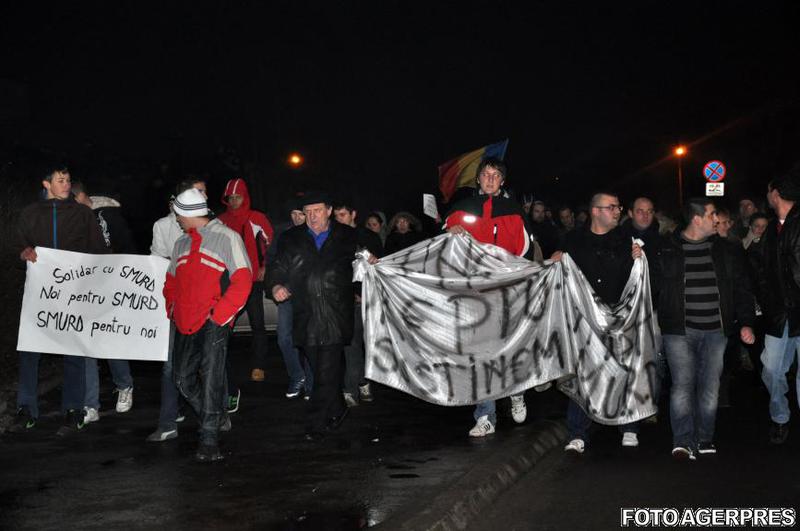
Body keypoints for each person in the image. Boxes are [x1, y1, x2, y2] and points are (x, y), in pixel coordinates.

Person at [10, 164, 107, 436]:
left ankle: (74, 408)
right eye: (60, 180)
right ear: (46, 184)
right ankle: (26, 408)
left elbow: (98, 251)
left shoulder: (82, 214)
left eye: (68, 180)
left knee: (73, 350)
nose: (66, 185)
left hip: (72, 295)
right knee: (30, 351)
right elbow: (18, 248)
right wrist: (23, 253)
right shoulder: (29, 214)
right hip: (38, 296)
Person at [445, 157, 537, 437]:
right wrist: (451, 231)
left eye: (496, 175)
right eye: (485, 174)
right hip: (474, 291)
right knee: (481, 352)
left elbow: (525, 249)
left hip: (507, 289)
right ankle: (485, 415)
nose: (490, 179)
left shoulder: (513, 210)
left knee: (510, 346)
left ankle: (517, 390)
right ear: (478, 179)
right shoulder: (463, 208)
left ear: (502, 181)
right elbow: (445, 246)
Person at [657, 198, 755, 459]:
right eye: (712, 215)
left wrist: (746, 322)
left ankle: (704, 438)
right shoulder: (666, 249)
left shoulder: (727, 250)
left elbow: (742, 287)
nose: (716, 220)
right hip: (679, 330)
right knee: (682, 385)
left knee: (710, 386)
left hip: (716, 331)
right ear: (697, 219)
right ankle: (682, 440)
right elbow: (652, 289)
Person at [164, 187, 252, 462]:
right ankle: (216, 417)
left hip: (214, 321)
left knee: (212, 379)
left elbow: (243, 279)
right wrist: (172, 308)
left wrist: (220, 315)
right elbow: (171, 282)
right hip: (184, 322)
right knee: (182, 379)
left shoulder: (227, 237)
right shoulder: (180, 243)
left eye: (178, 214)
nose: (176, 219)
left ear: (188, 214)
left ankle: (209, 439)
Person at [269, 191, 358, 442]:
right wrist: (275, 285)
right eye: (307, 212)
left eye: (317, 210)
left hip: (335, 312)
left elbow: (363, 263)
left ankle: (315, 421)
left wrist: (369, 265)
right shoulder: (291, 238)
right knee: (321, 369)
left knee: (327, 368)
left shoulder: (347, 236)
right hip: (305, 314)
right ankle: (339, 408)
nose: (312, 216)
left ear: (329, 211)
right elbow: (278, 266)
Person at [557, 192, 643, 453]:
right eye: (612, 207)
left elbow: (636, 281)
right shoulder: (573, 240)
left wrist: (639, 259)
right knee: (585, 374)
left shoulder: (625, 240)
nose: (618, 211)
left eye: (619, 206)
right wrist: (555, 260)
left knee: (624, 370)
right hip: (584, 320)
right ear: (596, 211)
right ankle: (578, 432)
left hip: (619, 317)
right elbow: (561, 274)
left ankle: (629, 426)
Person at [146, 178, 208, 442]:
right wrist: (169, 299)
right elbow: (161, 267)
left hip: (207, 309)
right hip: (179, 309)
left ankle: (215, 417)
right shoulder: (166, 229)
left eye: (203, 193)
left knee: (210, 364)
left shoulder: (218, 231)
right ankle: (168, 421)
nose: (202, 198)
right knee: (172, 365)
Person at [72, 181, 136, 422]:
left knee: (109, 338)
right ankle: (91, 405)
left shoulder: (109, 215)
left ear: (82, 196)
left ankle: (124, 386)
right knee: (87, 343)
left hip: (110, 285)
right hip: (85, 288)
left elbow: (126, 246)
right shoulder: (75, 220)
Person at [749, 172, 800, 445]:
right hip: (779, 315)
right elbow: (760, 271)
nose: (766, 196)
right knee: (770, 369)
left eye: (768, 191)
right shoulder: (770, 229)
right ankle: (780, 415)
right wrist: (767, 301)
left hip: (798, 311)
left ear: (775, 193)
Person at [218, 178, 274, 393]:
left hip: (252, 281)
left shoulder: (256, 217)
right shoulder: (220, 221)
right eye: (230, 198)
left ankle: (259, 365)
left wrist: (265, 266)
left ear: (245, 196)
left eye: (237, 196)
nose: (233, 201)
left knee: (257, 324)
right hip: (229, 281)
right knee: (223, 324)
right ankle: (220, 365)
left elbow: (270, 243)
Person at [333, 201, 384, 406]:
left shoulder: (368, 237)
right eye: (336, 215)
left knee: (369, 344)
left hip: (369, 299)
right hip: (347, 300)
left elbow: (379, 268)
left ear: (353, 214)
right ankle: (351, 389)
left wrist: (374, 261)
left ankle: (362, 382)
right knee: (351, 344)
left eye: (343, 215)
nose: (339, 219)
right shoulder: (335, 237)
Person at [268, 199, 314, 399]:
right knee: (284, 337)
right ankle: (297, 375)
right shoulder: (284, 235)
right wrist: (275, 284)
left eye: (300, 214)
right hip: (286, 294)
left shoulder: (316, 234)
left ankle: (312, 385)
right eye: (293, 213)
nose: (297, 218)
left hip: (309, 294)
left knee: (309, 338)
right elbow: (274, 262)